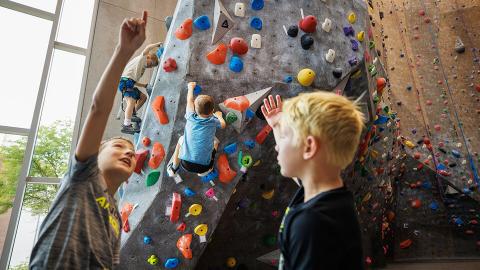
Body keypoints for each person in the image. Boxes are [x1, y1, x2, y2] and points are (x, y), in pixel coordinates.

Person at [29, 11, 149, 269]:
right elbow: (98, 108)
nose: (129, 153)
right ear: (97, 153)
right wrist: (123, 50)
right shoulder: (84, 177)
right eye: (119, 145)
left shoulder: (116, 215)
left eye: (132, 151)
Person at [261, 92, 365, 270]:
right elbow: (300, 171)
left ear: (309, 147)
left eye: (285, 137)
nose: (277, 146)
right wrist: (278, 127)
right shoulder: (330, 198)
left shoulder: (311, 224)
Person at [166, 82, 226, 177]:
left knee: (181, 139)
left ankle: (174, 167)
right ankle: (205, 172)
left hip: (185, 163)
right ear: (212, 111)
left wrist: (190, 87)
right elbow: (223, 125)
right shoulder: (214, 121)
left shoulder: (190, 115)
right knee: (216, 142)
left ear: (195, 108)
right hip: (203, 167)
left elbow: (189, 100)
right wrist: (219, 116)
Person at [119, 39, 162, 134]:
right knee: (131, 102)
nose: (149, 67)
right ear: (148, 57)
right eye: (150, 64)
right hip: (125, 82)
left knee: (143, 97)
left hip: (129, 82)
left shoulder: (141, 68)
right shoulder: (142, 58)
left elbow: (134, 81)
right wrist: (157, 44)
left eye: (151, 67)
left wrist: (144, 85)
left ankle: (133, 113)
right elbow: (147, 48)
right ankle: (126, 125)